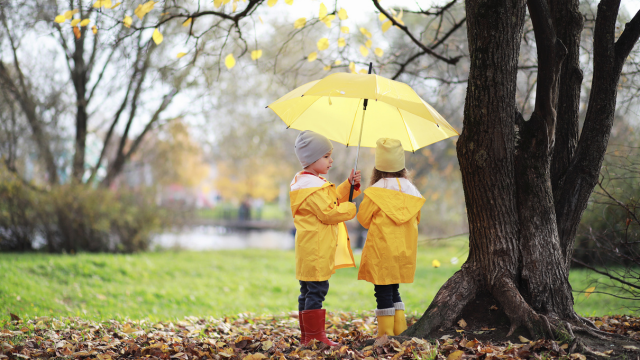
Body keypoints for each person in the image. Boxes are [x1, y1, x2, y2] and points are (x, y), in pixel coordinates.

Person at [290, 130, 361, 346]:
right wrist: (350, 209)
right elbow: (329, 212)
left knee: (308, 292)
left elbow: (331, 199)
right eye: (326, 156)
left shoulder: (310, 184)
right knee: (316, 292)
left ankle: (307, 337)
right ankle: (314, 338)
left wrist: (349, 185)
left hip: (309, 250)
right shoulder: (311, 188)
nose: (331, 160)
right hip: (316, 251)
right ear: (312, 159)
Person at [356, 138, 426, 337]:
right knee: (394, 290)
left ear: (378, 167)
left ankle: (385, 337)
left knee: (383, 292)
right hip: (403, 252)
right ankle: (400, 333)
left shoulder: (376, 191)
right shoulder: (413, 192)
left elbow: (363, 218)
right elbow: (417, 219)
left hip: (382, 252)